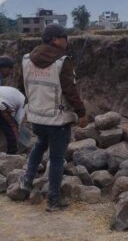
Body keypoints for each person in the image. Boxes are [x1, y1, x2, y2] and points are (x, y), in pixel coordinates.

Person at [19, 24, 87, 212]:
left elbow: (22, 86)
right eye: (64, 38)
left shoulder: (26, 60)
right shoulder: (62, 62)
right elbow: (70, 90)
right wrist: (81, 112)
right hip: (57, 120)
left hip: (36, 117)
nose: (67, 41)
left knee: (40, 144)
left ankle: (26, 181)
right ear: (55, 39)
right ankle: (53, 200)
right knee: (57, 159)